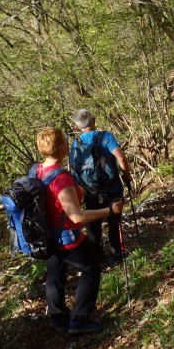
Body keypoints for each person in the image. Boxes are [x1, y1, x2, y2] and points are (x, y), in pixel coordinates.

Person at [35, 127, 122, 336]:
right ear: (62, 147)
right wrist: (108, 210)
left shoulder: (37, 170)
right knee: (91, 267)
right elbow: (76, 216)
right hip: (66, 238)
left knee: (54, 276)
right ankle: (79, 319)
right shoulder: (61, 179)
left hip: (46, 236)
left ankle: (59, 319)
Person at [70, 108, 133, 261]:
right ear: (94, 120)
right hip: (113, 188)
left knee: (93, 223)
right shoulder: (106, 137)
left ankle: (96, 256)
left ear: (77, 127)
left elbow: (73, 171)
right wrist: (127, 176)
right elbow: (121, 159)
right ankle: (116, 254)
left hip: (90, 191)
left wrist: (80, 193)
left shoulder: (75, 145)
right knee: (113, 221)